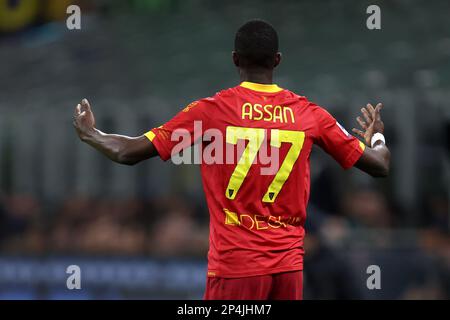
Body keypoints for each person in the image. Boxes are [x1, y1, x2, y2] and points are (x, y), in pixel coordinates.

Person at [73, 19, 390, 300]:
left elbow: (129, 153)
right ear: (277, 61)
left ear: (235, 60)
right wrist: (375, 136)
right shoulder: (309, 114)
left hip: (235, 268)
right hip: (288, 271)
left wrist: (92, 134)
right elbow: (379, 166)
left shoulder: (211, 111)